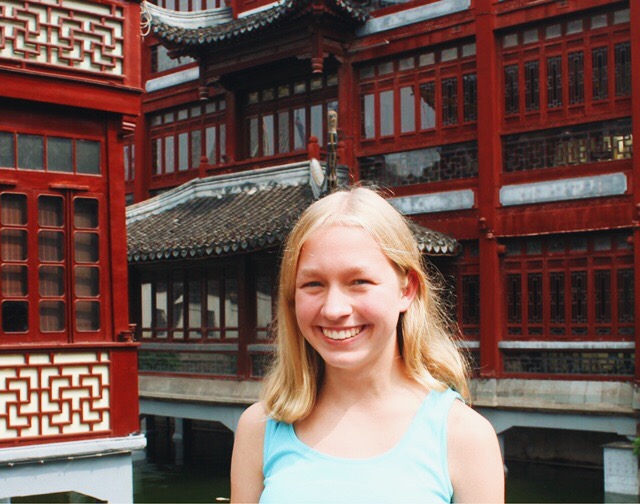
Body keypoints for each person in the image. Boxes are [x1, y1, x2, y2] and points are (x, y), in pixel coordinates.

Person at [230, 186, 504, 503]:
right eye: (313, 284)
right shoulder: (260, 428)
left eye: (359, 282)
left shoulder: (464, 436)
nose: (334, 309)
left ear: (407, 289)